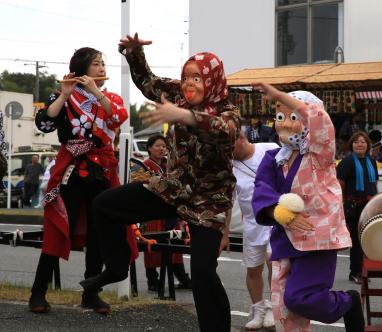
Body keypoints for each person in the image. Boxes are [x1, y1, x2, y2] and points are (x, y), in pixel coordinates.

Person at [79, 33, 240, 332]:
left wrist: (184, 114)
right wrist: (134, 53)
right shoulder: (178, 93)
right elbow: (148, 82)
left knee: (204, 273)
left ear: (213, 80)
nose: (189, 84)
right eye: (186, 77)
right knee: (105, 205)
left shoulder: (229, 112)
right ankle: (116, 267)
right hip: (173, 187)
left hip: (208, 202)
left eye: (197, 78)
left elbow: (223, 130)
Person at [29, 47, 136, 315]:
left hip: (102, 171)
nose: (101, 68)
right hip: (72, 171)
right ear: (82, 69)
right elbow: (44, 124)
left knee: (99, 233)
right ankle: (38, 292)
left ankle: (91, 293)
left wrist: (97, 93)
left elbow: (118, 117)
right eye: (96, 64)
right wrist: (65, 93)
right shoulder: (65, 96)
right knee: (59, 227)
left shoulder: (110, 97)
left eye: (102, 64)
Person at [251, 83, 364, 332]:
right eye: (280, 117)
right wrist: (278, 213)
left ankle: (347, 302)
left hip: (317, 238)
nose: (285, 124)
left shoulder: (319, 153)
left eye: (294, 117)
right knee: (284, 310)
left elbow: (320, 122)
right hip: (284, 239)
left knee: (300, 297)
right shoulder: (273, 158)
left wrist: (281, 96)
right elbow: (261, 189)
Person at [220, 130, 278, 330]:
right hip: (252, 223)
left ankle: (273, 307)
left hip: (275, 218)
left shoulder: (270, 149)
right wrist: (225, 234)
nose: (227, 152)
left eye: (229, 146)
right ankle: (258, 309)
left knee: (274, 262)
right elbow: (228, 202)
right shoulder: (231, 169)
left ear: (241, 137)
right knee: (253, 269)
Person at [134, 134, 191, 291]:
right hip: (152, 211)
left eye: (164, 146)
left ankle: (182, 277)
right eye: (158, 146)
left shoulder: (169, 165)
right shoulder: (143, 165)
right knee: (153, 245)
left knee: (174, 244)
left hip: (170, 210)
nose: (162, 149)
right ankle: (152, 280)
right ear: (150, 148)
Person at [337, 131, 379, 284]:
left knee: (367, 239)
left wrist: (377, 200)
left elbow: (374, 183)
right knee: (356, 240)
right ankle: (355, 272)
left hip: (369, 205)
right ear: (351, 145)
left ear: (368, 145)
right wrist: (341, 203)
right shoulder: (347, 162)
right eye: (356, 142)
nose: (360, 144)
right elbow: (339, 183)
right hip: (353, 206)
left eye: (363, 142)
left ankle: (364, 270)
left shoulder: (371, 161)